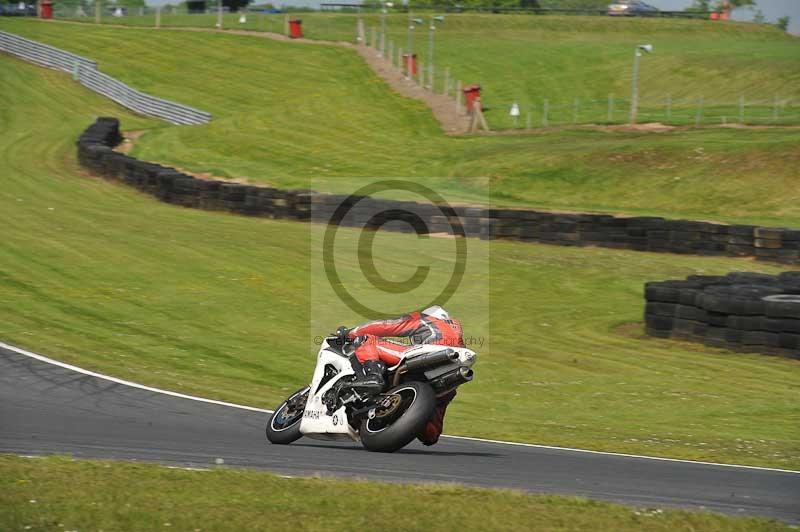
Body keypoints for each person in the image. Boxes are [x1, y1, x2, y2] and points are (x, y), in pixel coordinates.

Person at [345, 305, 463, 446]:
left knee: (367, 341)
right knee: (431, 435)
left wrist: (350, 333)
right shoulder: (458, 333)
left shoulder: (427, 319)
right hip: (448, 379)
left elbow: (387, 326)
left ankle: (373, 377)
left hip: (427, 356)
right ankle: (411, 412)